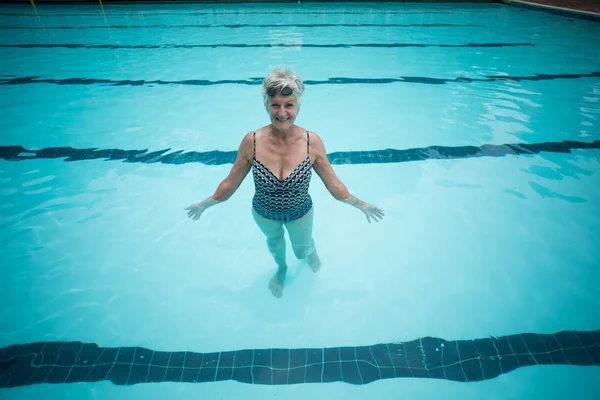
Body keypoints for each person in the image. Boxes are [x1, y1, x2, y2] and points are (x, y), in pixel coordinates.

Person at [185, 67, 384, 298]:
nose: (282, 112)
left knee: (301, 250)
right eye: (275, 105)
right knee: (274, 243)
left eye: (288, 104)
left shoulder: (312, 142)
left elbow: (334, 185)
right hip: (263, 213)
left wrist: (361, 205)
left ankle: (310, 250)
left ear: (298, 106)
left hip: (300, 213)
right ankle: (281, 269)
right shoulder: (252, 141)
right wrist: (204, 204)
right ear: (266, 106)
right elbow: (230, 183)